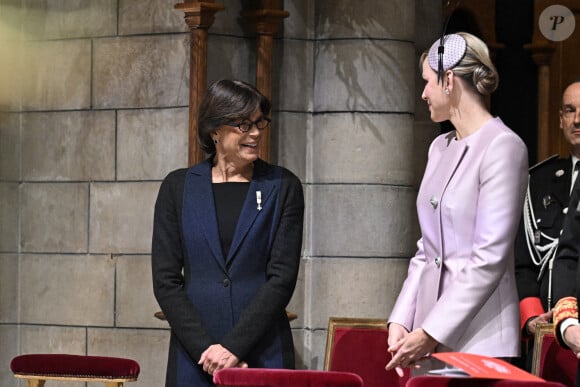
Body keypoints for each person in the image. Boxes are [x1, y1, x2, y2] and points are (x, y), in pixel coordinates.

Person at [385, 32, 528, 375]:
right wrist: (402, 319)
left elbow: (489, 258)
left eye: (427, 82)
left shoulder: (503, 147)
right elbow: (426, 249)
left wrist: (432, 331)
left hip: (479, 337)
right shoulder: (440, 147)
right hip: (425, 336)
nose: (423, 94)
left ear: (448, 80)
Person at [151, 79, 305, 387]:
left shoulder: (282, 186)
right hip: (195, 355)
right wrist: (207, 351)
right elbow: (166, 281)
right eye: (244, 125)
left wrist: (234, 348)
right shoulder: (178, 187)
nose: (256, 133)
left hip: (262, 351)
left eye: (260, 123)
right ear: (215, 129)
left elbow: (281, 278)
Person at [514, 78, 580, 370]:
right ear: (560, 120)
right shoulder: (539, 181)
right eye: (570, 110)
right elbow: (521, 261)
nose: (577, 119)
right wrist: (531, 319)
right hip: (546, 335)